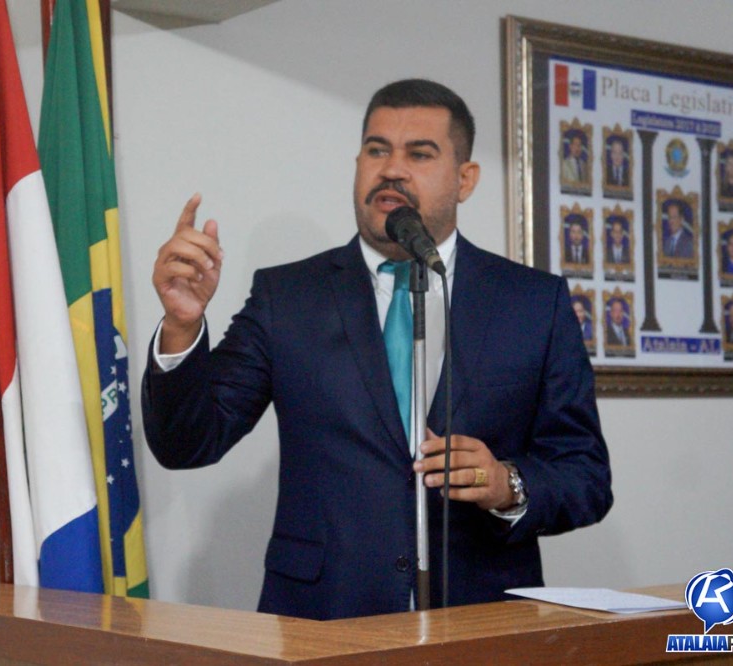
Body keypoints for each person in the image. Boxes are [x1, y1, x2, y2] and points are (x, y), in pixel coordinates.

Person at [142, 79, 612, 620]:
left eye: (420, 154)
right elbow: (187, 443)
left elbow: (585, 476)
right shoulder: (287, 297)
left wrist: (506, 484)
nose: (392, 169)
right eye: (377, 150)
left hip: (480, 619)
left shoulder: (531, 302)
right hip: (324, 620)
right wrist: (182, 325)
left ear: (465, 179)